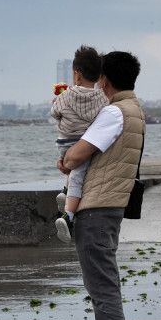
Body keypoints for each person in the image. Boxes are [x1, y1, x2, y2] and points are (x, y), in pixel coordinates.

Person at [57, 51, 144, 320]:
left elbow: (77, 154)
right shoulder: (133, 109)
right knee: (104, 284)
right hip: (111, 204)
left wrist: (66, 159)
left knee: (102, 286)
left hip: (97, 206)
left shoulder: (114, 113)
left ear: (105, 79)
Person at [50, 46, 109, 244]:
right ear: (98, 76)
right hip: (83, 145)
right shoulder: (102, 98)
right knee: (78, 177)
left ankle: (65, 192)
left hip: (64, 143)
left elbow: (55, 113)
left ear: (77, 74)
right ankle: (68, 216)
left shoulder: (65, 95)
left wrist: (58, 102)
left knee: (70, 170)